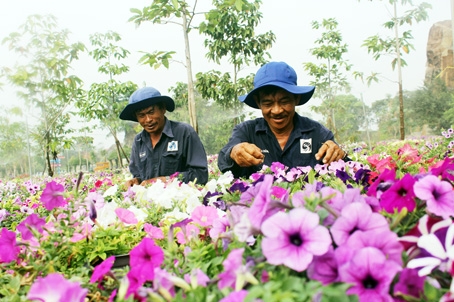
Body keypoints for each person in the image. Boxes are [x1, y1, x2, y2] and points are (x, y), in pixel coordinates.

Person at [218, 61, 348, 178]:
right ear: (258, 103)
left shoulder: (316, 132)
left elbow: (345, 168)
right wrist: (233, 152)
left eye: (284, 101)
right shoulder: (246, 131)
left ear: (296, 99)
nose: (277, 110)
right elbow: (223, 160)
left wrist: (339, 155)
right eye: (268, 103)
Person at [120, 86, 209, 186]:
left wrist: (166, 180)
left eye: (151, 112)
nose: (148, 119)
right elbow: (139, 175)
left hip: (179, 199)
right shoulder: (138, 141)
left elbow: (201, 175)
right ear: (136, 117)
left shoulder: (184, 132)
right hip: (149, 201)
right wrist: (136, 181)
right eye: (141, 115)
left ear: (163, 108)